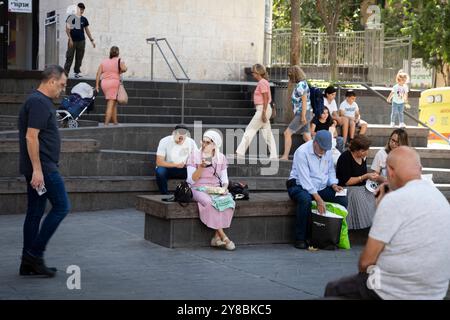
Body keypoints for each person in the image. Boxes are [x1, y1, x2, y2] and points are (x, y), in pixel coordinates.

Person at [325, 146, 450, 300]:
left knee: (334, 288)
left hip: (394, 291)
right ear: (420, 169)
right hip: (436, 291)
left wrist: (380, 208)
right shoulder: (439, 197)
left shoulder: (394, 200)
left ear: (390, 171)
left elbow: (365, 263)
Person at [18, 65, 69, 277]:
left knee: (35, 212)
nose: (63, 89)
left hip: (40, 167)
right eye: (62, 84)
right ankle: (34, 255)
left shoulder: (37, 101)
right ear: (51, 81)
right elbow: (31, 136)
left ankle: (27, 264)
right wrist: (38, 170)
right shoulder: (39, 102)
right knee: (62, 207)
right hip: (44, 168)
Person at [286, 130, 348, 249]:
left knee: (342, 199)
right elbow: (305, 180)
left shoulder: (328, 150)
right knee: (305, 199)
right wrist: (319, 199)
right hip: (299, 185)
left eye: (326, 149)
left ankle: (333, 236)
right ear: (315, 142)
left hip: (321, 186)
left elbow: (330, 170)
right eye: (321, 149)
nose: (324, 152)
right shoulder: (302, 152)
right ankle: (300, 238)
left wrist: (333, 184)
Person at [187, 130, 236, 250]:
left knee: (229, 201)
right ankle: (224, 236)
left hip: (215, 188)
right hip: (197, 188)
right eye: (203, 141)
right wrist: (201, 167)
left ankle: (216, 238)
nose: (204, 144)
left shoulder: (221, 158)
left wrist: (224, 188)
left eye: (207, 142)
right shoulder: (194, 155)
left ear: (214, 145)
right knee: (210, 202)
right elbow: (190, 180)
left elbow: (225, 179)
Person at [336, 135, 378, 230]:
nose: (366, 152)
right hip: (347, 188)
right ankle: (366, 226)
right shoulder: (345, 157)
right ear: (355, 150)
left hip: (361, 186)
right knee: (359, 194)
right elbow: (346, 181)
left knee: (376, 193)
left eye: (367, 150)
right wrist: (365, 176)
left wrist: (370, 177)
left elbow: (362, 174)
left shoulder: (363, 157)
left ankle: (374, 224)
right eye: (363, 150)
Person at [236, 64, 277, 159]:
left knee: (249, 130)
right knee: (267, 134)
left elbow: (266, 98)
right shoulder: (264, 82)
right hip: (264, 109)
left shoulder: (262, 82)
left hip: (262, 109)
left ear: (258, 72)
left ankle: (240, 153)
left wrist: (263, 113)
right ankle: (274, 155)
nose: (252, 74)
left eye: (253, 72)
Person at [280, 65, 312, 160]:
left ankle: (285, 156)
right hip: (306, 112)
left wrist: (302, 116)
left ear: (294, 75)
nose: (289, 78)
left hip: (303, 113)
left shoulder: (301, 85)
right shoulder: (302, 84)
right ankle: (315, 155)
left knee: (287, 133)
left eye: (290, 76)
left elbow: (304, 101)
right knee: (306, 136)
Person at [155, 125, 198, 195]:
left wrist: (188, 164)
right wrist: (176, 165)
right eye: (179, 134)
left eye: (184, 135)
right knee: (160, 171)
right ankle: (164, 194)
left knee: (198, 171)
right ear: (173, 133)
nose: (181, 137)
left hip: (185, 169)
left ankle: (192, 194)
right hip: (168, 169)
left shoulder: (191, 142)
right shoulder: (164, 141)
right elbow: (159, 162)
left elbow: (197, 159)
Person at [95, 46, 127, 126]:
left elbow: (98, 74)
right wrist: (123, 69)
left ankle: (115, 122)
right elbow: (124, 69)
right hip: (113, 83)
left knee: (114, 103)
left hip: (104, 83)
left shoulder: (104, 61)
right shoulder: (119, 60)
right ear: (118, 53)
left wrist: (97, 86)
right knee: (111, 103)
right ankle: (106, 124)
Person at [64, 3, 95, 78]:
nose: (82, 11)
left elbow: (87, 30)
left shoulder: (84, 19)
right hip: (72, 41)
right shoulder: (71, 17)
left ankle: (77, 72)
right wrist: (70, 39)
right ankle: (65, 73)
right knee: (69, 57)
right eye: (80, 9)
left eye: (83, 9)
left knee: (79, 57)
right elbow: (67, 29)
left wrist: (91, 40)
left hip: (81, 41)